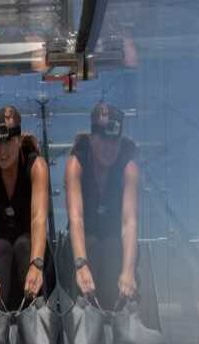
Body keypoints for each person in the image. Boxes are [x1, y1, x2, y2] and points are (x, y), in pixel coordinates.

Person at [0, 106, 50, 318]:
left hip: (28, 253)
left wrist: (36, 265)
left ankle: (35, 316)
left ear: (18, 140)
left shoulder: (37, 167)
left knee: (25, 244)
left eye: (8, 143)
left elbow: (39, 219)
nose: (2, 152)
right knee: (1, 247)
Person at [65, 102, 139, 309]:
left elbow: (129, 222)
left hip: (114, 244)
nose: (109, 148)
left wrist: (128, 271)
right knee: (91, 244)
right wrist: (81, 265)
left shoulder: (129, 168)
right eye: (103, 140)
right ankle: (85, 315)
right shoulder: (76, 164)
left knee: (113, 247)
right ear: (91, 139)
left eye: (114, 142)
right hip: (83, 246)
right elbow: (76, 218)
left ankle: (119, 316)